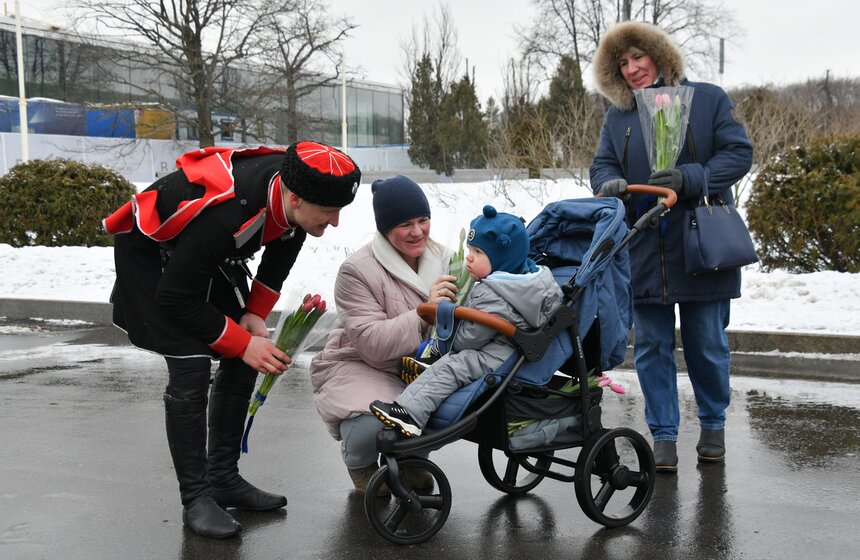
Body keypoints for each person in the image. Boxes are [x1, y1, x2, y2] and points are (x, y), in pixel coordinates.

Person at [103, 141, 361, 538]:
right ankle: (196, 500)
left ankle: (223, 478)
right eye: (329, 212)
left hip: (203, 253)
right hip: (153, 258)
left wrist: (254, 315)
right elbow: (175, 296)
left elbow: (282, 248)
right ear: (294, 198)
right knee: (190, 366)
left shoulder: (294, 190)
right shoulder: (231, 213)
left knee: (243, 355)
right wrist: (243, 341)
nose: (336, 221)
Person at [589, 21, 753, 473]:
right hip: (644, 245)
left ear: (659, 55)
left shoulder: (709, 99)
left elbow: (739, 153)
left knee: (706, 343)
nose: (632, 68)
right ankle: (662, 435)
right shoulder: (618, 116)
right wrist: (610, 184)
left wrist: (692, 178)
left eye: (638, 57)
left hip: (702, 243)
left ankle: (713, 426)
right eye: (622, 63)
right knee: (651, 347)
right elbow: (601, 165)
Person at [370, 205, 564, 438]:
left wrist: (447, 328)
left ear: (502, 258)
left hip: (496, 357)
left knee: (452, 366)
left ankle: (410, 414)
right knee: (449, 363)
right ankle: (428, 371)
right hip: (509, 349)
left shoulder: (496, 294)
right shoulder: (524, 281)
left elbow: (468, 340)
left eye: (479, 252)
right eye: (469, 249)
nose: (469, 257)